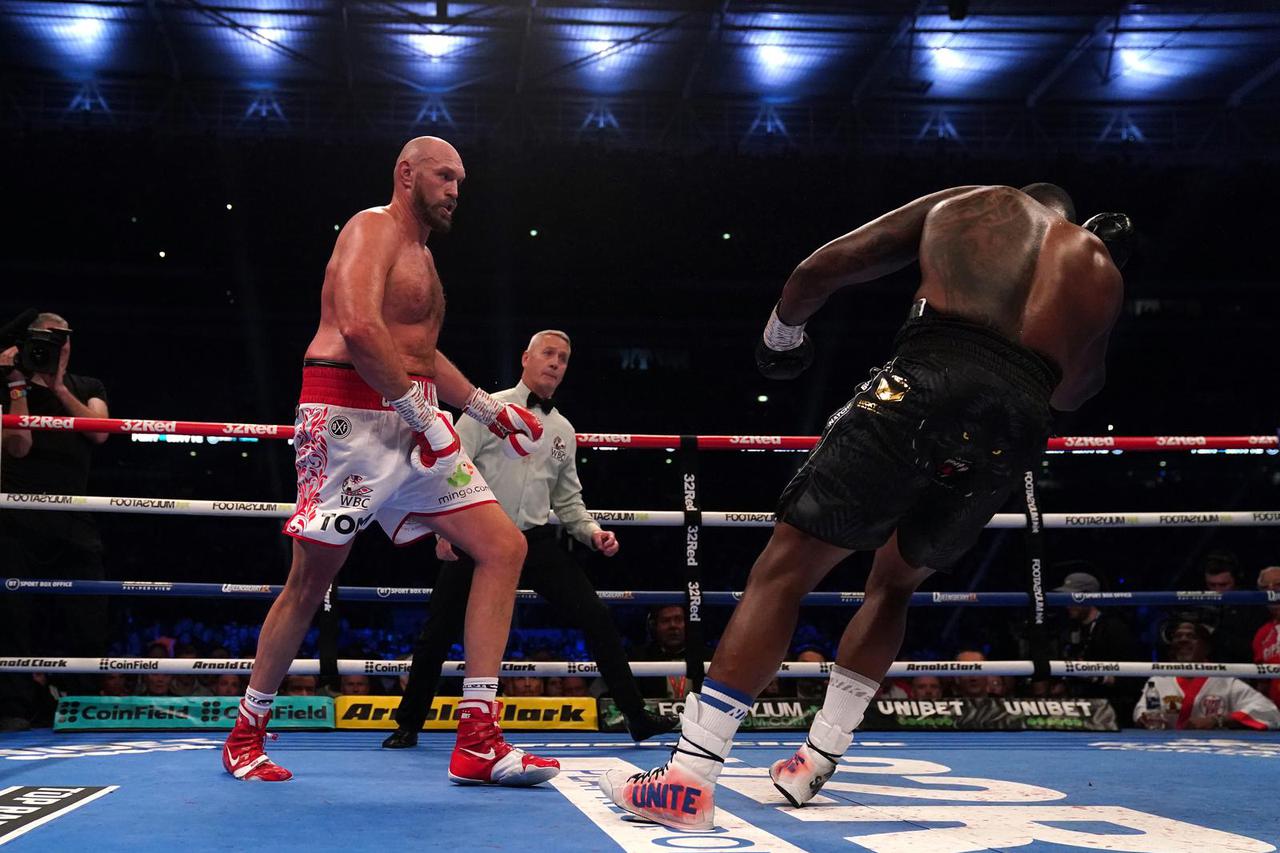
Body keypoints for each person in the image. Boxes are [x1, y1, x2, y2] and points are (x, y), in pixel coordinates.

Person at [602, 184, 1130, 830]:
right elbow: (1074, 393)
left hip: (931, 374)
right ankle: (816, 760)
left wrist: (783, 334)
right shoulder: (1100, 267)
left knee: (786, 567)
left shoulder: (977, 205)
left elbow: (823, 266)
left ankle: (687, 777)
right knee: (896, 583)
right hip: (1015, 423)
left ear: (1024, 197)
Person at [221, 137, 558, 787]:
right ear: (406, 174)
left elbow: (420, 355)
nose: (455, 189)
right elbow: (357, 326)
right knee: (311, 581)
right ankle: (247, 730)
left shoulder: (425, 260)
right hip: (349, 421)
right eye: (443, 176)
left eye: (461, 179)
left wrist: (487, 410)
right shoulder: (370, 228)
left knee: (503, 547)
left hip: (411, 421)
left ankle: (478, 738)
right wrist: (428, 420)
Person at [382, 330, 676, 748]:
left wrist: (593, 533)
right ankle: (409, 723)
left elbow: (569, 500)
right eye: (549, 354)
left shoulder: (563, 430)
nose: (556, 363)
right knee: (440, 630)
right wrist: (441, 529)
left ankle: (635, 715)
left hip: (534, 541)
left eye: (564, 358)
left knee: (595, 615)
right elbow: (446, 464)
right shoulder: (486, 409)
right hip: (478, 538)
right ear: (526, 358)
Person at [1, 312, 110, 730]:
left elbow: (100, 430)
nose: (53, 346)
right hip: (17, 518)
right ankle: (12, 706)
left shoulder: (87, 387)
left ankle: (83, 704)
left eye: (60, 338)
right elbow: (19, 445)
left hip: (73, 517)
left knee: (89, 615)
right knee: (11, 615)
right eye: (42, 339)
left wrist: (59, 386)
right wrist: (15, 383)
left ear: (70, 342)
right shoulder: (7, 384)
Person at [1135, 619, 1279, 730]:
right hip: (1168, 750)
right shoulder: (1159, 679)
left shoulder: (1225, 679)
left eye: (1191, 636)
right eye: (1178, 636)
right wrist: (1146, 718)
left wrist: (1217, 720)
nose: (1183, 640)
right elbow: (1141, 711)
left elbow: (1270, 712)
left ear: (1206, 647)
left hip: (1213, 751)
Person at [1055, 569, 1142, 706]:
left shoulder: (1114, 628)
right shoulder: (1068, 629)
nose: (1068, 604)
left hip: (1110, 707)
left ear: (1090, 597)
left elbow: (1133, 680)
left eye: (1073, 598)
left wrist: (1098, 676)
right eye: (1066, 598)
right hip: (1078, 704)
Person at [1252, 566, 1280, 707]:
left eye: (1278, 585)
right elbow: (1263, 683)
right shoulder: (1263, 634)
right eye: (1265, 588)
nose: (1272, 591)